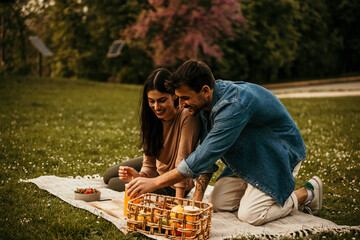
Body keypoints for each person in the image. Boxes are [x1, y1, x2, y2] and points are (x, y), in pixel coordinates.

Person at [126, 59, 323, 226]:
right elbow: (205, 155)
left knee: (250, 215)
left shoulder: (232, 106)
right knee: (217, 204)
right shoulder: (204, 105)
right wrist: (196, 199)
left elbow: (206, 154)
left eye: (185, 98)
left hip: (276, 155)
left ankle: (307, 193)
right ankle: (255, 192)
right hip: (246, 162)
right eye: (178, 98)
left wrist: (154, 183)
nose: (181, 105)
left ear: (204, 90)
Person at [103, 68, 202, 198]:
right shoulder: (150, 117)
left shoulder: (187, 116)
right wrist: (139, 176)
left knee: (113, 184)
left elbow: (182, 166)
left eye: (162, 100)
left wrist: (178, 204)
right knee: (107, 176)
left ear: (174, 95)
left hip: (174, 183)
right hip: (159, 168)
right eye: (152, 101)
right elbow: (149, 164)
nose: (156, 107)